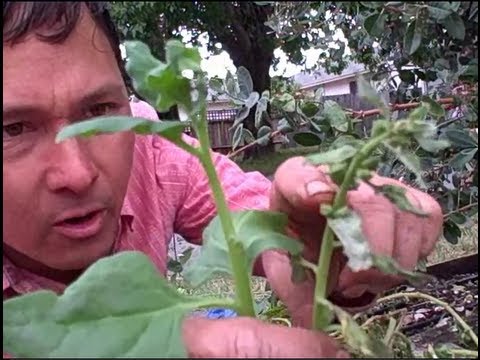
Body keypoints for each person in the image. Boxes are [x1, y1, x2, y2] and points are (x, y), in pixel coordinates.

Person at [3, 2, 443, 358]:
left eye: (98, 111)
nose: (78, 174)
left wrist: (309, 236)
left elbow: (245, 210)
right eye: (12, 129)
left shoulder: (147, 150)